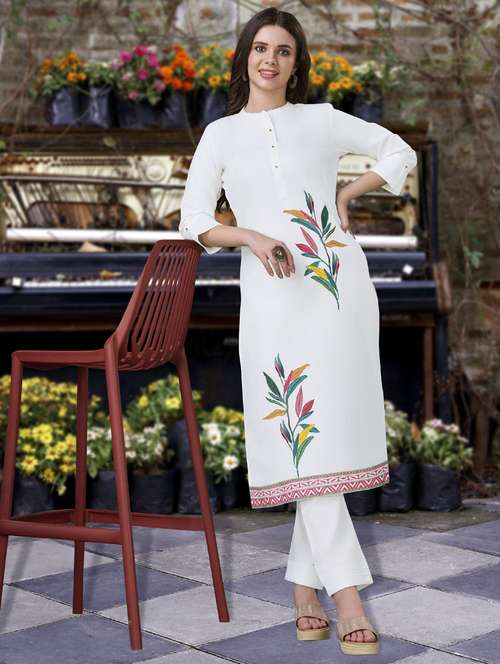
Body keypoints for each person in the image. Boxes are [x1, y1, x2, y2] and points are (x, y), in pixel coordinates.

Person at [179, 7, 417, 656]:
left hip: (338, 291)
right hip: (273, 298)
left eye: (283, 51)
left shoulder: (321, 119)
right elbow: (194, 219)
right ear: (244, 57)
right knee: (301, 435)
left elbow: (398, 150)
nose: (270, 60)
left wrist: (348, 195)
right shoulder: (221, 135)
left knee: (323, 438)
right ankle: (345, 594)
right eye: (260, 48)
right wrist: (251, 237)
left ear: (296, 62)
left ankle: (310, 592)